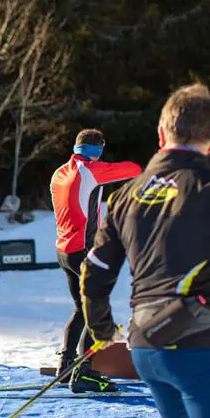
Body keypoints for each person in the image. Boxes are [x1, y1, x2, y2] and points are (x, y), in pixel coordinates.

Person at [82, 84, 210, 418]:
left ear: (161, 134)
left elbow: (95, 271)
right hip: (201, 347)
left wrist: (102, 333)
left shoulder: (126, 194)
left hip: (147, 348)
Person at [50, 129, 142, 391]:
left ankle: (66, 367)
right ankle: (84, 372)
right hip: (82, 251)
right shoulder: (91, 171)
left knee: (81, 309)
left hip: (63, 250)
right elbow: (134, 169)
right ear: (98, 150)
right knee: (95, 310)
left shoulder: (59, 172)